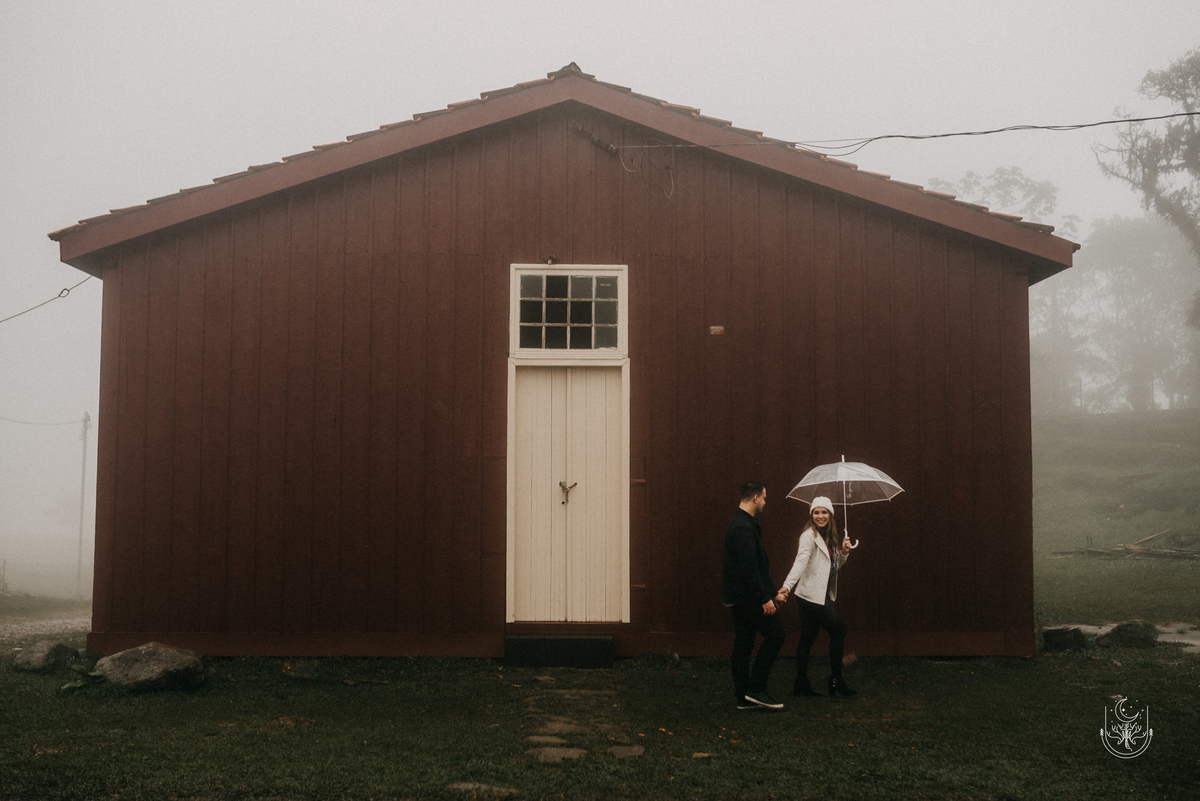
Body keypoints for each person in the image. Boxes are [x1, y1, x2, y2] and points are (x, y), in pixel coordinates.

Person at [778, 496, 857, 697]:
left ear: (830, 515)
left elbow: (832, 568)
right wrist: (786, 586)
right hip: (812, 597)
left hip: (815, 596)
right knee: (838, 632)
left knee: (807, 638)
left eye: (824, 512)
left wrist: (844, 553)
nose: (820, 516)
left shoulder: (830, 537)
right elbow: (800, 563)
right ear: (811, 515)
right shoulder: (809, 536)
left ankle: (801, 684)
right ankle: (836, 681)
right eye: (816, 512)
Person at [722, 480, 788, 710]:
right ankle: (756, 689)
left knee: (744, 643)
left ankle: (744, 698)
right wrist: (765, 599)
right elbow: (749, 569)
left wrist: (772, 593)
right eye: (765, 497)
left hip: (742, 596)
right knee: (776, 635)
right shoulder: (742, 526)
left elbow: (759, 566)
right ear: (756, 498)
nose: (766, 502)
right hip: (747, 598)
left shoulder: (743, 522)